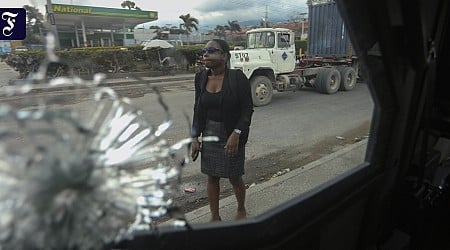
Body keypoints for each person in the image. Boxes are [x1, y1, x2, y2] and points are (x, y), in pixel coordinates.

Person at [191, 39, 254, 222]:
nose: (206, 54)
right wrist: (195, 136)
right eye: (204, 51)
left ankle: (241, 208)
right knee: (212, 177)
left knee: (235, 176)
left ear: (224, 56)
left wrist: (237, 133)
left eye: (211, 50)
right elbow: (198, 109)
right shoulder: (201, 77)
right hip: (210, 133)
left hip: (231, 134)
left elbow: (247, 109)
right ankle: (215, 217)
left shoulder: (237, 78)